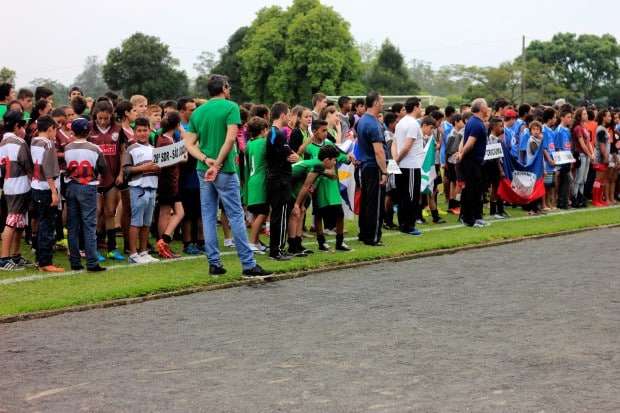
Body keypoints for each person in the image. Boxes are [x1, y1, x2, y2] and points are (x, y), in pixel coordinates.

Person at [182, 74, 270, 277]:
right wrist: (218, 163)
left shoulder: (198, 111)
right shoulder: (231, 107)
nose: (229, 90)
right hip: (225, 169)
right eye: (228, 86)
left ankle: (214, 263)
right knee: (235, 215)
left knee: (209, 215)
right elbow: (230, 139)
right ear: (223, 87)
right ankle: (248, 264)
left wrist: (205, 160)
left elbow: (188, 144)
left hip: (204, 169)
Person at [64, 117, 107, 272]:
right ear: (89, 131)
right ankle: (92, 262)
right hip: (88, 187)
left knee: (73, 225)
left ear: (73, 131)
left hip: (71, 186)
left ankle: (75, 261)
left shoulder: (68, 148)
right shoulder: (95, 149)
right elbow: (103, 167)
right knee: (89, 225)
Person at [292, 143, 350, 252]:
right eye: (334, 160)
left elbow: (312, 181)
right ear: (327, 159)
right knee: (297, 213)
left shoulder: (322, 161)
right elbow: (306, 186)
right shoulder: (317, 162)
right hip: (285, 182)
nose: (335, 163)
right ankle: (294, 246)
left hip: (295, 181)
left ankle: (296, 245)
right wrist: (297, 204)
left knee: (301, 212)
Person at [89, 100, 123, 261]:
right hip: (94, 180)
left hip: (112, 178)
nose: (102, 121)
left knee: (110, 212)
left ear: (111, 116)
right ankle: (94, 248)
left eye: (106, 118)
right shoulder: (89, 129)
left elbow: (123, 153)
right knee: (96, 212)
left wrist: (121, 173)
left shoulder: (118, 129)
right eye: (99, 118)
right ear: (95, 116)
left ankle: (112, 248)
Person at [123, 117, 160, 264]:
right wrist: (145, 167)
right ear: (134, 132)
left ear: (150, 131)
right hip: (138, 188)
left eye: (145, 130)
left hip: (152, 187)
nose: (142, 133)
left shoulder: (154, 149)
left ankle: (144, 252)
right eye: (139, 130)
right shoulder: (131, 149)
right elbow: (126, 170)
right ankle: (133, 253)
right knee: (136, 221)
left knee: (147, 222)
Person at [265, 102, 299, 260]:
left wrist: (292, 155)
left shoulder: (272, 132)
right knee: (281, 215)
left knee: (278, 214)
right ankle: (276, 250)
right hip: (280, 180)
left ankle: (276, 248)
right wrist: (292, 156)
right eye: (289, 113)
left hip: (275, 178)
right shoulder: (278, 133)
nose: (291, 117)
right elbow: (290, 154)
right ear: (283, 115)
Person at [30, 115, 64, 272]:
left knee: (40, 222)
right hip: (45, 188)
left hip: (35, 186)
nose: (55, 133)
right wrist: (53, 192)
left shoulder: (34, 141)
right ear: (50, 128)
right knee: (47, 225)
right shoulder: (48, 144)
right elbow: (48, 170)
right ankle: (46, 262)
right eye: (55, 130)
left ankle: (39, 258)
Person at [0, 111, 32, 270]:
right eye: (23, 125)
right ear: (17, 126)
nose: (25, 129)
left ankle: (16, 255)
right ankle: (4, 258)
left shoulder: (2, 142)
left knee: (19, 222)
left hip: (8, 185)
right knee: (12, 221)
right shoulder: (19, 143)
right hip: (20, 186)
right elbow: (28, 166)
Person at [356, 91, 387, 246]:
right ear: (375, 103)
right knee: (375, 204)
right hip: (374, 167)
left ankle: (363, 233)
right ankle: (373, 237)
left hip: (365, 166)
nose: (383, 104)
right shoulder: (373, 123)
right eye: (381, 101)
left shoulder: (362, 120)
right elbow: (379, 151)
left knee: (367, 202)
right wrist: (385, 171)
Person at [155, 112, 185, 259]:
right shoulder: (166, 141)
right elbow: (182, 155)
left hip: (171, 181)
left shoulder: (165, 138)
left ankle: (164, 240)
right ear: (177, 125)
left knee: (179, 212)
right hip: (167, 182)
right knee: (165, 213)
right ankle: (163, 243)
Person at [394, 97, 424, 236]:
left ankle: (403, 223)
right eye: (421, 106)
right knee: (411, 196)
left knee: (402, 196)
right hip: (410, 165)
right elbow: (407, 146)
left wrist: (395, 160)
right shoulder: (413, 123)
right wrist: (398, 160)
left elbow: (395, 143)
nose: (421, 109)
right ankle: (409, 225)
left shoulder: (400, 122)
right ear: (416, 107)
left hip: (401, 164)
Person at [457, 98, 488, 228]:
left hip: (475, 162)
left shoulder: (475, 122)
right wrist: (462, 154)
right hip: (471, 162)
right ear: (481, 108)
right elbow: (469, 143)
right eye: (486, 106)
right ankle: (468, 219)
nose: (488, 108)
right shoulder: (476, 123)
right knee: (470, 190)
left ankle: (476, 216)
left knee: (476, 191)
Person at [243, 116, 269, 254]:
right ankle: (252, 242)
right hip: (261, 181)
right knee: (263, 212)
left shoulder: (249, 144)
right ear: (264, 130)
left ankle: (256, 242)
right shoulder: (263, 143)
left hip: (251, 180)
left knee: (257, 212)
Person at [572, 108, 593, 207]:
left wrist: (591, 154)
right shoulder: (577, 128)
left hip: (586, 155)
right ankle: (575, 197)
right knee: (579, 178)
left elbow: (588, 143)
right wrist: (590, 154)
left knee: (584, 179)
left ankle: (581, 197)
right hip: (581, 155)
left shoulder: (584, 127)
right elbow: (582, 144)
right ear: (579, 116)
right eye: (584, 114)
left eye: (586, 114)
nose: (586, 115)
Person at [592, 110, 612, 207]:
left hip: (603, 158)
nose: (610, 118)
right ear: (603, 117)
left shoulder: (604, 129)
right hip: (600, 158)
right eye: (608, 116)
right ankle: (595, 200)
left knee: (602, 180)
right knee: (598, 180)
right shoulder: (601, 130)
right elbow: (602, 145)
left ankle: (600, 199)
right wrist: (605, 157)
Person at [445, 113, 464, 215]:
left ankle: (453, 204)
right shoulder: (453, 134)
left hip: (454, 161)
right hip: (453, 161)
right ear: (456, 122)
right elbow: (449, 150)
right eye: (461, 121)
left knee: (455, 183)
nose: (463, 123)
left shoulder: (457, 132)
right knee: (456, 183)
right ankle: (455, 205)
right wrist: (447, 163)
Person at [554, 109, 573, 209]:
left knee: (567, 181)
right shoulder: (559, 130)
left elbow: (568, 145)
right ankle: (561, 202)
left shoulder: (567, 130)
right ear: (562, 118)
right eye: (568, 117)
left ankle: (564, 202)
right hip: (562, 159)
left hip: (568, 158)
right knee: (565, 180)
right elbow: (556, 148)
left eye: (571, 117)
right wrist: (558, 164)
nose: (570, 119)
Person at [541, 108, 558, 210]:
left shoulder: (551, 130)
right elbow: (544, 147)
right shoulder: (544, 130)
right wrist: (549, 160)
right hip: (546, 162)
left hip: (552, 160)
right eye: (555, 117)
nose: (555, 119)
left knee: (551, 184)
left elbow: (552, 147)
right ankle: (544, 204)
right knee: (545, 184)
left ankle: (550, 203)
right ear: (550, 118)